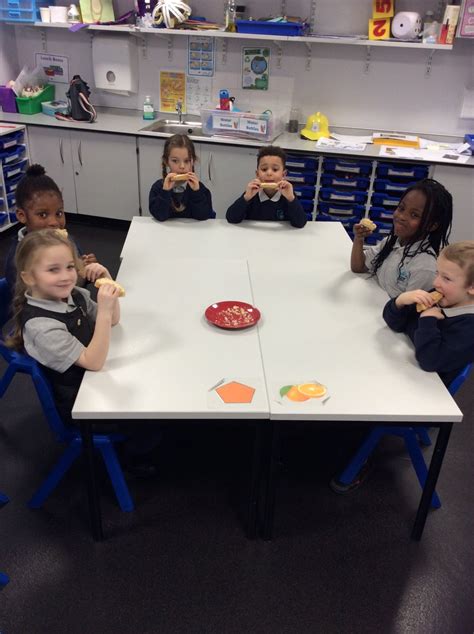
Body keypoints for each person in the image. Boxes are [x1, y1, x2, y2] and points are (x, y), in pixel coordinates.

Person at [7, 229, 159, 476]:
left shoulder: (71, 295)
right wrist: (105, 311)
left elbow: (112, 320)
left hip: (93, 380)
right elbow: (94, 361)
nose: (67, 276)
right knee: (149, 409)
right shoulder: (41, 326)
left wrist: (108, 281)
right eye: (53, 270)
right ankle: (133, 458)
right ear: (29, 277)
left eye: (69, 266)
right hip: (80, 403)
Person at [383, 241, 474, 387]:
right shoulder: (440, 296)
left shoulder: (468, 328)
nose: (436, 282)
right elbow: (395, 323)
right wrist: (400, 301)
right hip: (402, 366)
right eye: (437, 273)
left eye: (446, 278)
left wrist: (427, 321)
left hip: (425, 387)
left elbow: (430, 361)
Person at [350, 179, 452, 297]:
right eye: (401, 208)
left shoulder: (425, 267)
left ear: (432, 225)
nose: (401, 217)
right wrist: (359, 238)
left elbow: (407, 311)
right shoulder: (391, 243)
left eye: (414, 215)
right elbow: (359, 267)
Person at [4, 164, 98, 293]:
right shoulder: (18, 260)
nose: (54, 222)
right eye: (42, 215)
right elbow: (37, 300)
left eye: (59, 213)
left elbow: (76, 286)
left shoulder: (68, 241)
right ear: (22, 215)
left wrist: (86, 269)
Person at [225, 145, 307, 228]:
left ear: (283, 174)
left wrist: (291, 199)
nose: (269, 173)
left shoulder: (288, 195)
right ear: (257, 174)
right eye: (264, 169)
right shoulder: (252, 194)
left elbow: (300, 223)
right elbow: (231, 218)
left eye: (275, 169)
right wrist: (246, 198)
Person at [149, 134, 213, 221]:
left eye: (186, 161)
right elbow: (160, 216)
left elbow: (203, 216)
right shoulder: (158, 187)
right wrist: (165, 192)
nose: (182, 166)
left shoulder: (200, 188)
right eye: (175, 161)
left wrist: (196, 193)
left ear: (193, 161)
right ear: (166, 161)